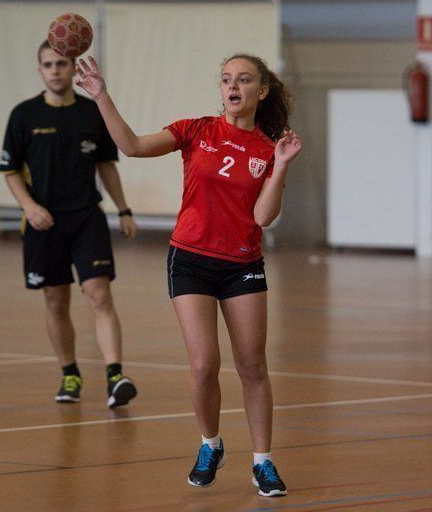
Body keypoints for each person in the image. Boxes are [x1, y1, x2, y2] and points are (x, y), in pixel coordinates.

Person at [75, 53, 301, 496]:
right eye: (225, 79)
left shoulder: (267, 150)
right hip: (191, 258)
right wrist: (101, 96)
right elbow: (133, 146)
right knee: (203, 365)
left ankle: (263, 462)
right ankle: (210, 444)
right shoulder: (196, 130)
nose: (232, 86)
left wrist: (282, 165)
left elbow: (262, 217)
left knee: (253, 365)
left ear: (262, 90)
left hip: (242, 264)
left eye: (243, 79)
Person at [0, 41, 139, 409]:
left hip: (86, 218)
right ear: (40, 70)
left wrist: (123, 210)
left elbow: (106, 166)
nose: (55, 70)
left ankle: (115, 376)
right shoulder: (23, 115)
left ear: (73, 67)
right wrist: (29, 207)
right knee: (55, 300)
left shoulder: (91, 114)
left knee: (99, 294)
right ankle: (70, 373)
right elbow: (10, 171)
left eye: (61, 63)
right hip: (44, 224)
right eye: (48, 64)